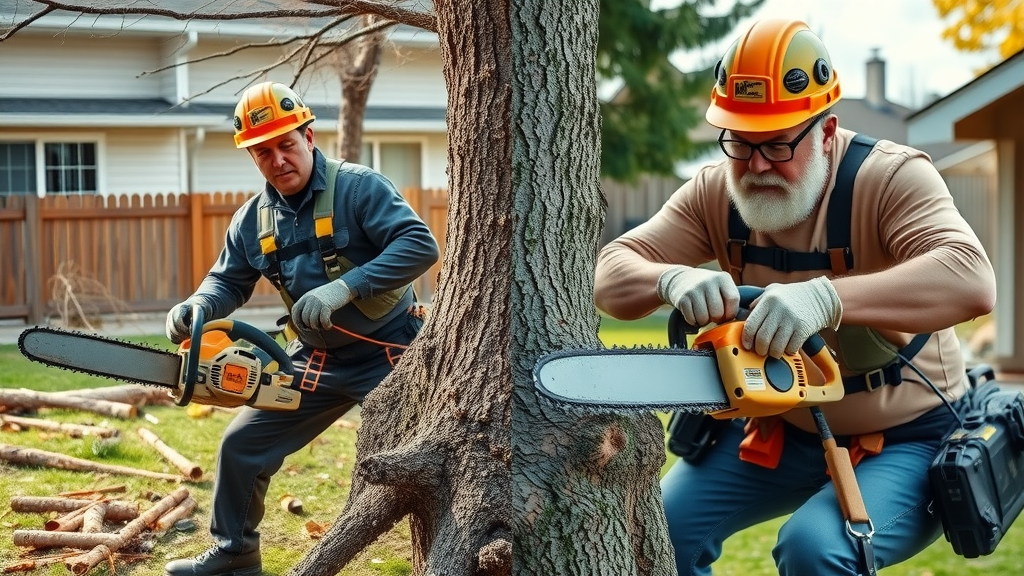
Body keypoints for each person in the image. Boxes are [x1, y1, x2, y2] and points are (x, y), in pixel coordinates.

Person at [594, 18, 996, 576]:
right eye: (740, 142)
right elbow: (610, 272)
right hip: (781, 426)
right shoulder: (716, 191)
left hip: (910, 437)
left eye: (779, 144)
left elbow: (971, 278)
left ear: (826, 131)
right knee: (656, 533)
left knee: (814, 549)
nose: (756, 165)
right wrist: (672, 280)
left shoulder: (891, 178)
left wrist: (824, 299)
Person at [163, 81, 439, 576]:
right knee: (241, 444)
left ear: (308, 136)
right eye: (262, 152)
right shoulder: (252, 219)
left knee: (440, 456)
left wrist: (347, 287)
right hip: (314, 358)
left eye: (286, 144)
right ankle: (235, 554)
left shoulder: (359, 188)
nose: (277, 159)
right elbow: (227, 280)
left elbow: (419, 244)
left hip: (395, 354)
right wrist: (199, 305)